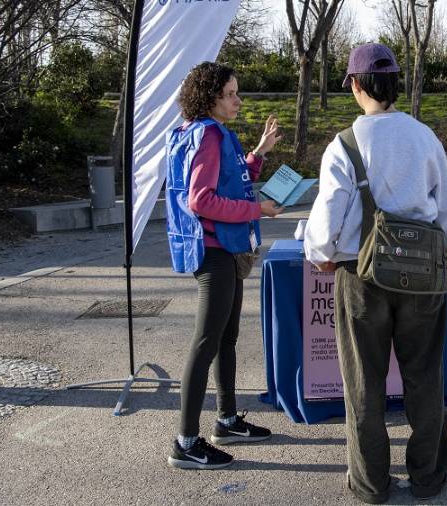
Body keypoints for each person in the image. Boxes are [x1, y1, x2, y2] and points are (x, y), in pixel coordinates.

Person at [304, 43, 447, 504]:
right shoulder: (425, 136)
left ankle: (371, 483)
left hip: (362, 276)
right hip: (424, 278)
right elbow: (444, 214)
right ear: (394, 85)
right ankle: (428, 477)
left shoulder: (346, 143)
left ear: (354, 84)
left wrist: (321, 253)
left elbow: (327, 218)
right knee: (425, 376)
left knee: (364, 381)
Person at [164, 62, 284, 470]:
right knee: (205, 344)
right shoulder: (211, 136)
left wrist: (259, 154)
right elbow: (201, 200)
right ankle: (185, 442)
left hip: (221, 250)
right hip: (215, 252)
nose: (237, 99)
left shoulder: (201, 131)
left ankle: (227, 420)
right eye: (231, 93)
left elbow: (233, 178)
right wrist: (258, 209)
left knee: (225, 338)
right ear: (210, 97)